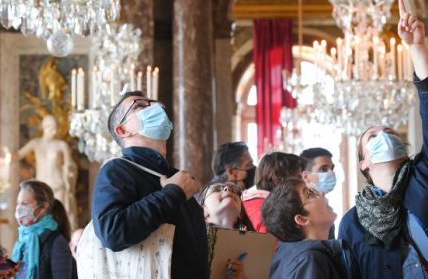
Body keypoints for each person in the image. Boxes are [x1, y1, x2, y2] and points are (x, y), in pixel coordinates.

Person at [338, 0, 428, 278]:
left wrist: (417, 48)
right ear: (363, 164)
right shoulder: (353, 223)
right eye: (373, 136)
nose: (384, 135)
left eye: (390, 132)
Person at [91, 90, 208, 279]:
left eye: (155, 103)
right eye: (139, 105)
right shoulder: (117, 170)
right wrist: (173, 193)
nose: (155, 107)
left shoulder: (175, 175)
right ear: (122, 130)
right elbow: (110, 231)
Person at [262, 179, 351, 279]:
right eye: (310, 193)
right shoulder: (310, 260)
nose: (321, 193)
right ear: (302, 219)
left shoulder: (288, 255)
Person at [17, 115, 78, 229]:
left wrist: (69, 168)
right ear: (45, 127)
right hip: (41, 188)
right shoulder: (36, 143)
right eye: (51, 128)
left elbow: (70, 165)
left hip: (58, 186)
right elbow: (17, 156)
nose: (54, 131)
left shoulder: (61, 145)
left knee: (61, 219)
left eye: (56, 128)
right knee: (40, 220)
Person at [11, 180, 76, 279]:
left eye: (25, 203)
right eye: (18, 203)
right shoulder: (22, 242)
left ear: (43, 206)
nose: (19, 208)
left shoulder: (57, 242)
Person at [197, 182, 252, 278]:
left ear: (240, 215)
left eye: (235, 192)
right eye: (217, 190)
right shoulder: (192, 242)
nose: (228, 189)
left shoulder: (253, 247)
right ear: (203, 212)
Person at [242, 152, 305, 233]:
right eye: (298, 178)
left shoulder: (251, 200)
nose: (303, 183)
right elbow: (271, 245)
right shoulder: (269, 213)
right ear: (277, 178)